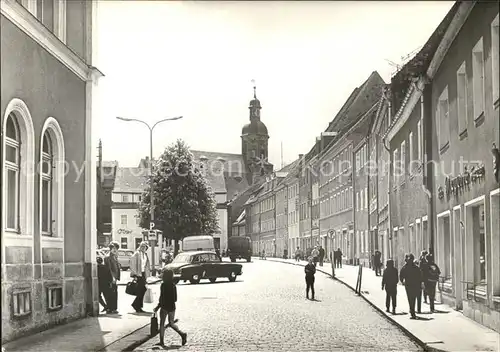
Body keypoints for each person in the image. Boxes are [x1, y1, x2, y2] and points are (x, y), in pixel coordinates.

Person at [153, 269, 187, 347]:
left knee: (162, 324)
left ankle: (161, 341)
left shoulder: (163, 285)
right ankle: (182, 333)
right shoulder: (173, 285)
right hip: (172, 306)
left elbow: (161, 297)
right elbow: (175, 299)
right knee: (171, 323)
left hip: (164, 306)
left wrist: (158, 306)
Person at [399, 253, 423, 319]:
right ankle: (412, 310)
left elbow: (401, 276)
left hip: (409, 285)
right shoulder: (416, 267)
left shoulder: (405, 267)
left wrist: (403, 282)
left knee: (410, 298)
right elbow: (420, 276)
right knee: (413, 298)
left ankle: (412, 311)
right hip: (414, 285)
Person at [130, 241, 151, 313]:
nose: (144, 248)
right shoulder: (136, 254)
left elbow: (146, 265)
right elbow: (133, 264)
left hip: (143, 274)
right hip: (138, 274)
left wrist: (147, 275)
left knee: (143, 289)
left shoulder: (145, 254)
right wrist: (134, 274)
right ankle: (137, 306)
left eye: (145, 246)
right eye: (142, 246)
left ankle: (137, 305)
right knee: (141, 290)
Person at [104, 241, 120, 314]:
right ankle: (110, 308)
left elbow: (117, 267)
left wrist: (116, 277)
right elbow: (109, 269)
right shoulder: (108, 257)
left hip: (114, 279)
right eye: (113, 248)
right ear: (110, 249)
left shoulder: (114, 256)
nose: (114, 250)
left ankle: (113, 308)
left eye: (116, 248)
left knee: (114, 293)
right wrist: (113, 278)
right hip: (110, 279)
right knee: (110, 294)